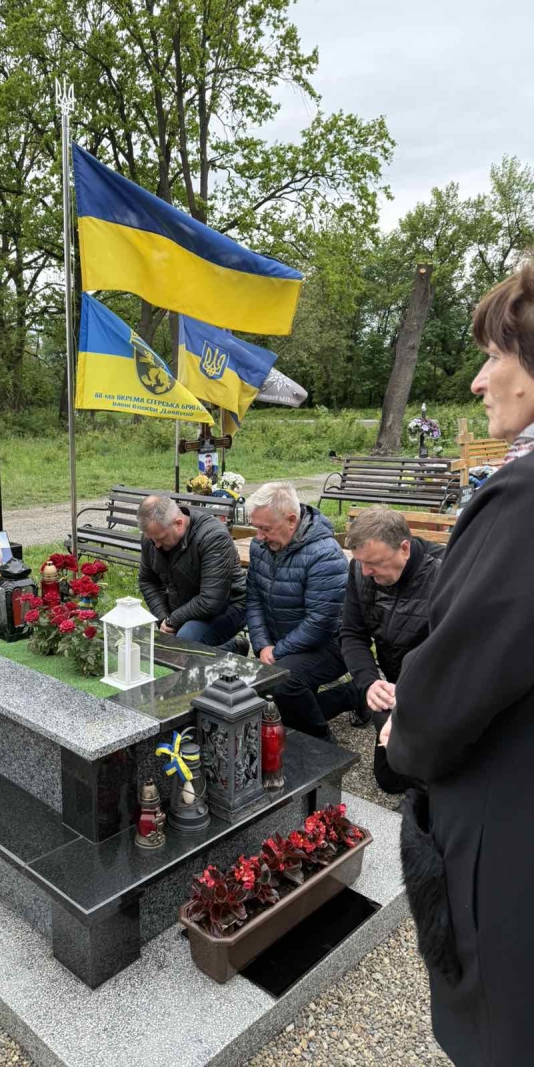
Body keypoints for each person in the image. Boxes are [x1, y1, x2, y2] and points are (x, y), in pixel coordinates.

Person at [384, 263, 534, 1066]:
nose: (478, 380)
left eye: (493, 355)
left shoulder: (522, 501)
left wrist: (398, 740)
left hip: (507, 832)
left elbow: (448, 692)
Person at [340, 507, 443, 792]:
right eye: (361, 562)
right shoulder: (360, 570)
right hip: (392, 685)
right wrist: (369, 683)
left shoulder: (446, 573)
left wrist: (411, 699)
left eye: (374, 563)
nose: (365, 572)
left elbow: (458, 656)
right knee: (390, 779)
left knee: (427, 779)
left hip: (437, 690)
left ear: (404, 549)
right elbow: (351, 633)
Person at [246, 482, 352, 741]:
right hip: (284, 643)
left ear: (291, 520)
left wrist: (277, 652)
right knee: (273, 704)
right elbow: (253, 598)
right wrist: (262, 645)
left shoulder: (324, 554)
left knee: (281, 685)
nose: (259, 536)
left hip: (329, 645)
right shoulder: (260, 547)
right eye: (256, 527)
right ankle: (352, 697)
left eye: (265, 528)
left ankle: (324, 743)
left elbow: (320, 622)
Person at [137, 495, 246, 647]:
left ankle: (234, 648)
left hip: (228, 605)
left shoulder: (213, 536)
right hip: (185, 604)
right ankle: (228, 649)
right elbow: (147, 581)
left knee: (183, 641)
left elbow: (211, 601)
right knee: (167, 644)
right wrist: (163, 618)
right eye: (152, 539)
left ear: (179, 523)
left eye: (161, 538)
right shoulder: (154, 536)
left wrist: (173, 620)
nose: (156, 545)